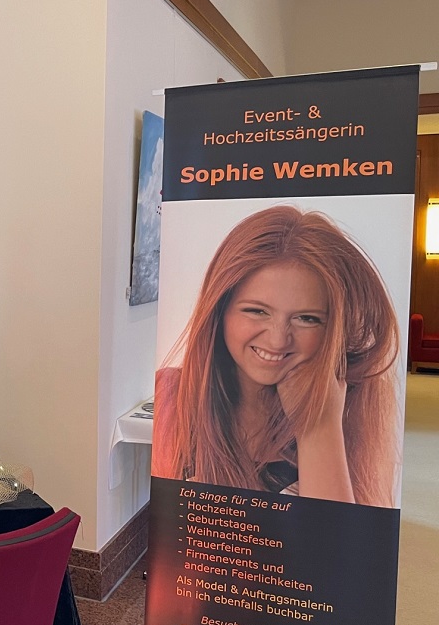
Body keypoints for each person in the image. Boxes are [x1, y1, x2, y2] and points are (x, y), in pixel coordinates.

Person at [153, 205, 400, 508]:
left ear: (334, 327)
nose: (278, 339)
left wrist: (318, 427)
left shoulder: (355, 406)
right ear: (220, 310)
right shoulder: (173, 395)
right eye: (257, 311)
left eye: (307, 318)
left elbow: (340, 539)